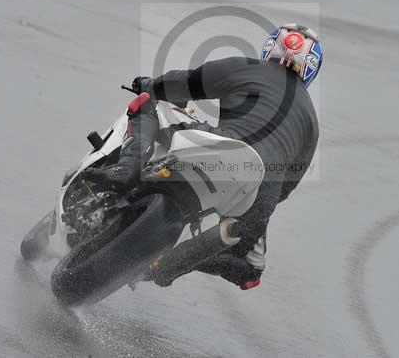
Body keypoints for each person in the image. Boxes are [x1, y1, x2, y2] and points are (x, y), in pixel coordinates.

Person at [85, 23, 322, 290]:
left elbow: (185, 83)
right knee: (250, 271)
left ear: (271, 48)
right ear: (312, 68)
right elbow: (287, 186)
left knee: (146, 105)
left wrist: (149, 85)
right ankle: (167, 264)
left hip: (223, 146)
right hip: (262, 188)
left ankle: (126, 169)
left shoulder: (247, 67)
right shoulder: (311, 121)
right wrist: (252, 209)